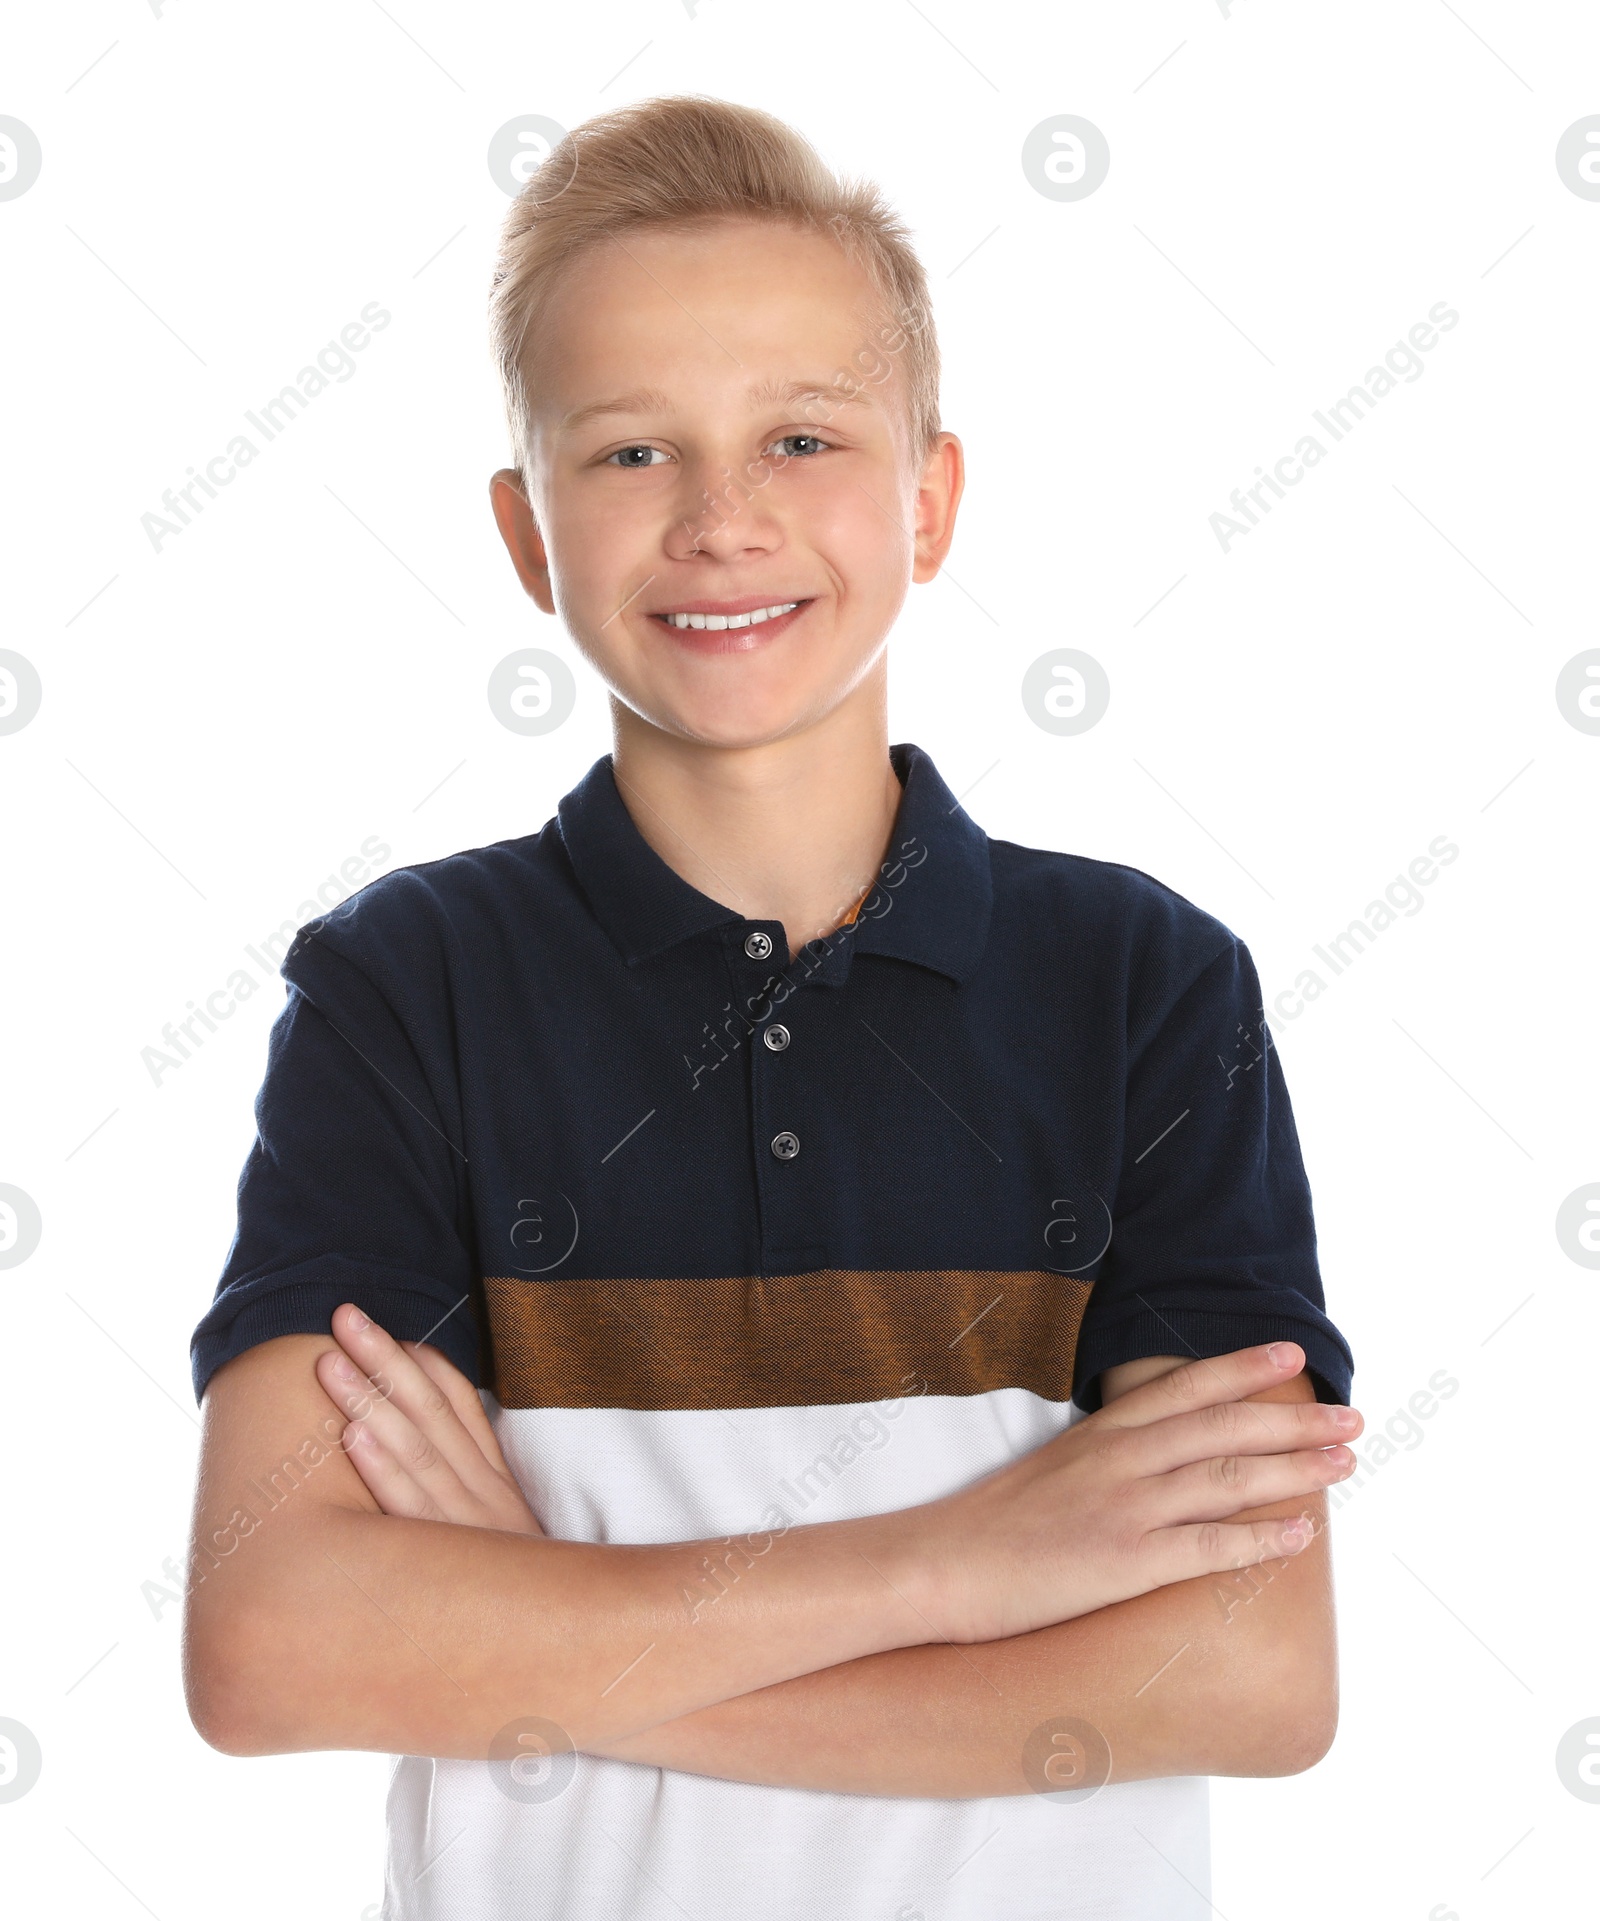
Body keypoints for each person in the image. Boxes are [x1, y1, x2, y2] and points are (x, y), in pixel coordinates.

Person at [184, 93, 1361, 1921]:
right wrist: (963, 1565)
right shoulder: (404, 988)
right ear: (524, 534)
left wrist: (555, 1642)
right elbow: (274, 1647)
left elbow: (1253, 1679)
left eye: (800, 436)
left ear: (931, 496)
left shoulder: (1146, 984)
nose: (722, 521)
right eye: (633, 453)